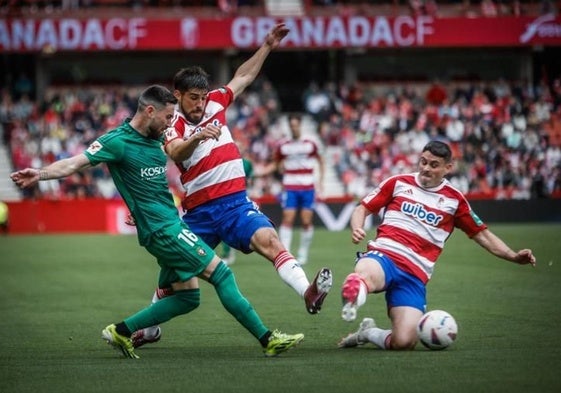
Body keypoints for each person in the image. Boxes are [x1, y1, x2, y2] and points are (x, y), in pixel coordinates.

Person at [10, 85, 304, 359]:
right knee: (222, 274)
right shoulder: (118, 141)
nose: (169, 124)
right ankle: (268, 340)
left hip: (169, 224)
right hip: (164, 230)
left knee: (188, 298)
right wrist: (41, 173)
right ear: (149, 111)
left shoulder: (157, 137)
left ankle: (123, 331)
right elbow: (76, 162)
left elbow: (164, 165)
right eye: (166, 117)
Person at [131, 23, 332, 349]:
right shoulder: (172, 123)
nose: (199, 104)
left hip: (236, 203)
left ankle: (307, 291)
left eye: (202, 97)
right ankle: (151, 327)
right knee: (174, 276)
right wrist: (197, 137)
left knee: (270, 240)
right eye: (192, 98)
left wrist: (267, 45)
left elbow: (243, 77)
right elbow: (175, 151)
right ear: (178, 96)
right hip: (199, 213)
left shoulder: (215, 102)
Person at [337, 140, 536, 350]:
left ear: (447, 168)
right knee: (365, 274)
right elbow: (362, 209)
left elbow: (483, 236)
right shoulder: (397, 183)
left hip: (415, 275)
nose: (425, 168)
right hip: (384, 256)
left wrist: (513, 256)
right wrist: (357, 227)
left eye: (433, 165)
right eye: (423, 162)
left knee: (404, 342)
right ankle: (353, 295)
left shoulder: (455, 200)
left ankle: (367, 332)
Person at [267, 113, 325, 265]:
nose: (294, 128)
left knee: (306, 221)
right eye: (291, 126)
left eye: (296, 125)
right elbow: (277, 161)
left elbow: (321, 160)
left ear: (300, 125)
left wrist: (321, 181)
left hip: (307, 186)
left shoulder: (310, 143)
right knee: (288, 219)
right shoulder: (283, 145)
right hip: (290, 186)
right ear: (289, 127)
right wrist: (279, 168)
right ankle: (285, 253)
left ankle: (303, 253)